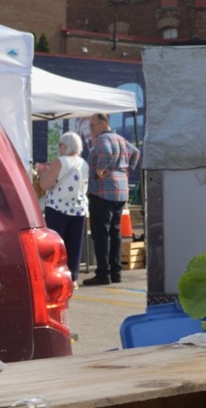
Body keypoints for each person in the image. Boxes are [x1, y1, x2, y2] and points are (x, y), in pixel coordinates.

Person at [83, 113, 141, 286]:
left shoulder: (103, 140)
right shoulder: (121, 139)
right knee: (115, 232)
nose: (90, 130)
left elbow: (107, 153)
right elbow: (136, 152)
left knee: (101, 233)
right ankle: (116, 272)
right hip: (121, 191)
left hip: (103, 191)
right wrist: (126, 171)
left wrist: (102, 170)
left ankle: (103, 273)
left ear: (101, 124)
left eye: (91, 126)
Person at [39, 132, 89, 285]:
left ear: (65, 146)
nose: (59, 148)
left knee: (56, 244)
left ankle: (54, 276)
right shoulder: (83, 163)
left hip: (58, 207)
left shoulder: (60, 161)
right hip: (79, 208)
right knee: (74, 244)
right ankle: (72, 277)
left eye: (60, 145)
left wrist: (42, 173)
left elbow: (45, 185)